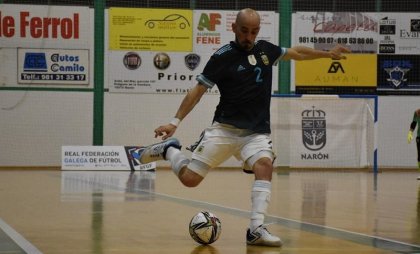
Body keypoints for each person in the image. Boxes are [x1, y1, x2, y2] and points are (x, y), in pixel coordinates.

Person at [138, 8, 350, 247]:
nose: (249, 37)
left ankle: (255, 229)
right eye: (244, 31)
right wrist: (174, 122)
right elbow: (197, 92)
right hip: (225, 130)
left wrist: (327, 54)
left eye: (254, 31)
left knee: (264, 165)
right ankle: (169, 150)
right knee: (189, 180)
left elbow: (297, 53)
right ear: (234, 28)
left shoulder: (266, 50)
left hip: (256, 133)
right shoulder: (222, 56)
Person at [407, 108, 420, 180]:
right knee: (419, 156)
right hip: (419, 137)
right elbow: (414, 124)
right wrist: (410, 133)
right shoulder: (417, 113)